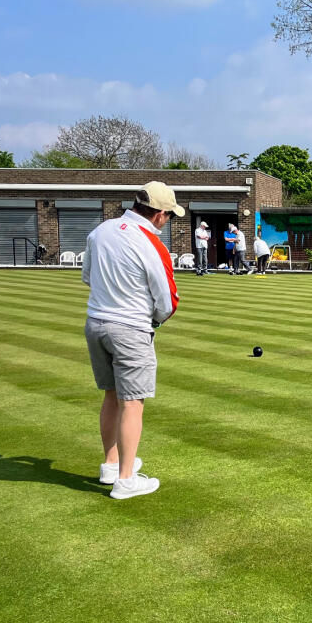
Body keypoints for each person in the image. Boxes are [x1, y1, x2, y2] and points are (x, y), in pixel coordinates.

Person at [84, 182, 182, 500]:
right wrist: (154, 320)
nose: (167, 222)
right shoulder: (151, 243)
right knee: (133, 402)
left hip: (96, 323)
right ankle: (126, 480)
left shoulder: (101, 231)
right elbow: (168, 300)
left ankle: (112, 464)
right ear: (158, 214)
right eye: (169, 216)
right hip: (130, 328)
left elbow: (87, 276)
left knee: (112, 395)